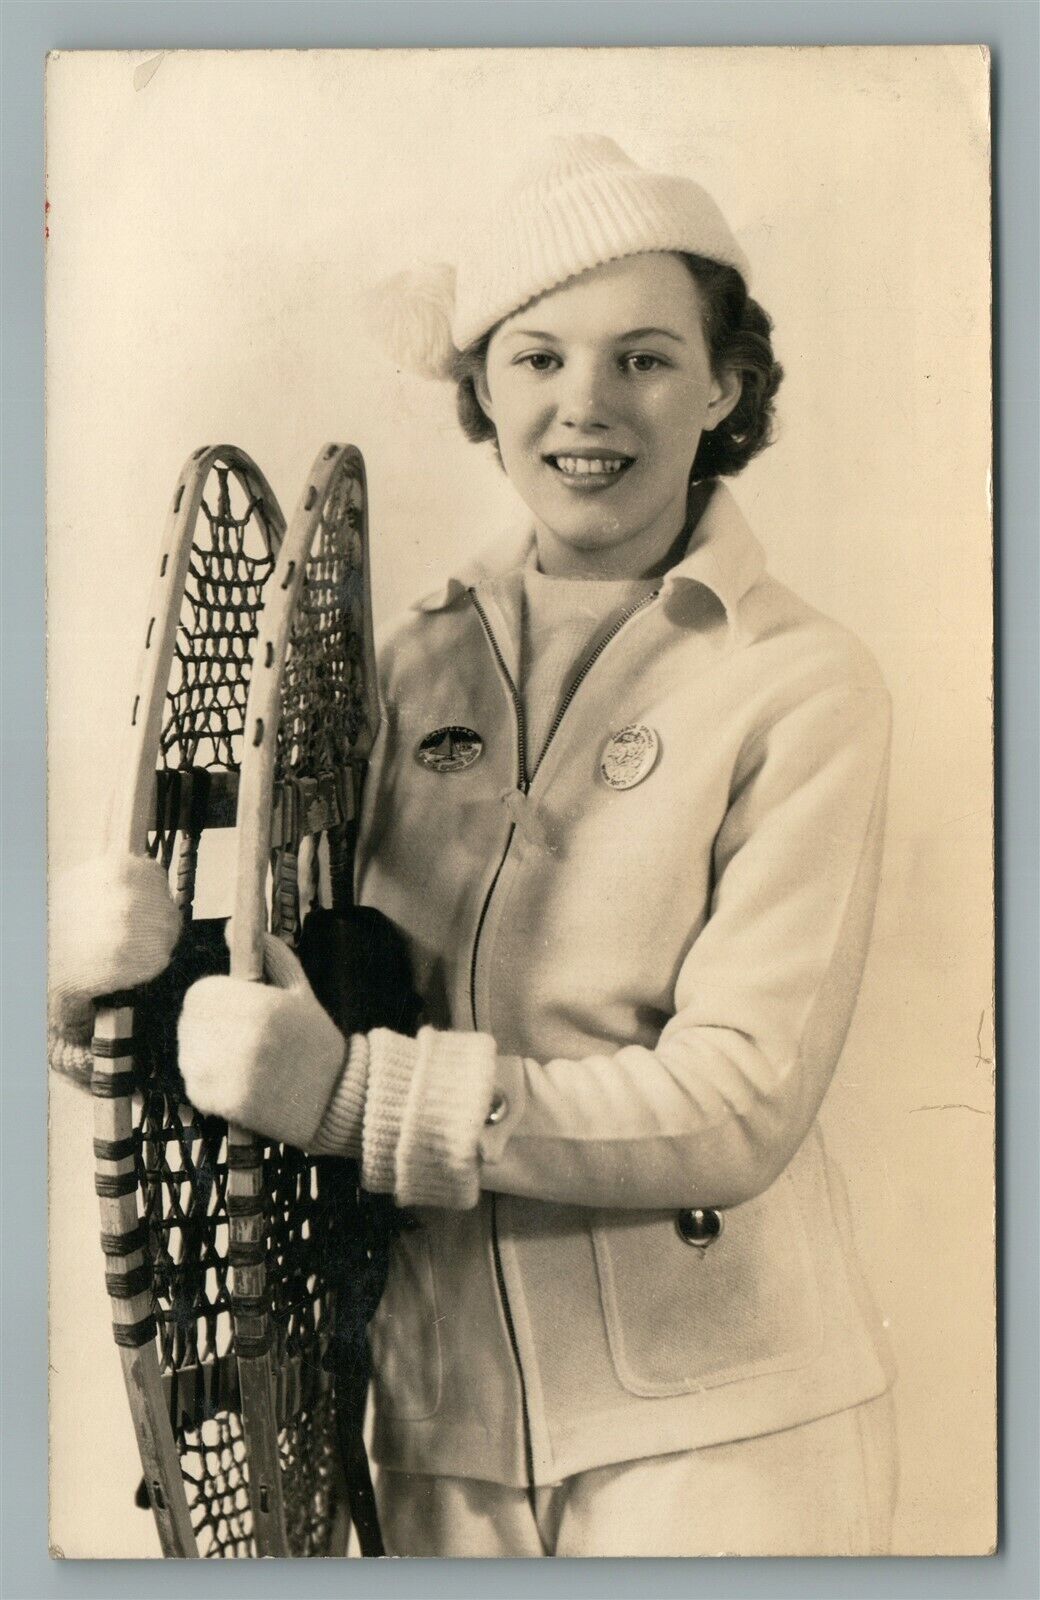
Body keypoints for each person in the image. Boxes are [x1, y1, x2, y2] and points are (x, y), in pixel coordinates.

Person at [50, 135, 898, 1557]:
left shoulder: (804, 683)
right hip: (432, 1435)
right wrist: (108, 991)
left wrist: (353, 1099)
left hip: (728, 1440)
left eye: (644, 358)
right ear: (482, 393)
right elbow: (305, 998)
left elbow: (740, 1097)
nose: (587, 408)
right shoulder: (406, 670)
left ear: (726, 385)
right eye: (537, 359)